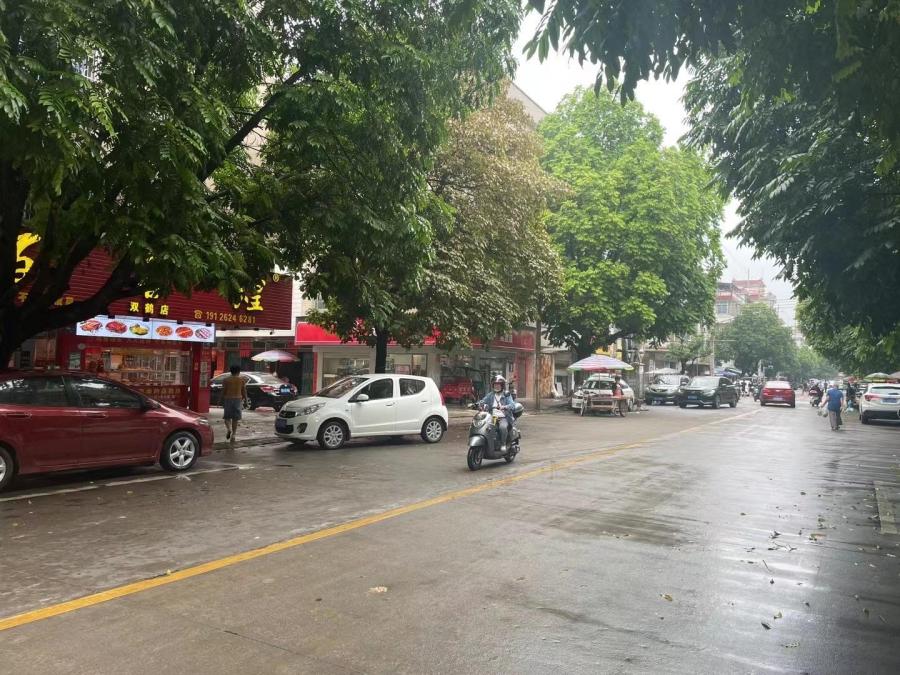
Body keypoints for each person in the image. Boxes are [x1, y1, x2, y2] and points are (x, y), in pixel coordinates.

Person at [479, 375, 515, 451]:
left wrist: (504, 407)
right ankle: (488, 445)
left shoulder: (506, 395)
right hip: (492, 417)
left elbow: (512, 405)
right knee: (485, 428)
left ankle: (503, 444)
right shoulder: (491, 395)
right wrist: (477, 404)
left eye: (498, 385)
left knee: (503, 427)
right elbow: (483, 401)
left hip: (503, 417)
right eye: (495, 384)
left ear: (502, 386)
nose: (496, 386)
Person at [222, 365, 248, 445]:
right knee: (235, 419)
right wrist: (246, 401)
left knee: (227, 417)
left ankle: (229, 429)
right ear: (239, 371)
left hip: (228, 399)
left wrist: (220, 400)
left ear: (231, 371)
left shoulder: (226, 380)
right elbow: (244, 391)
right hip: (237, 399)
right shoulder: (241, 380)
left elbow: (223, 391)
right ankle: (233, 435)